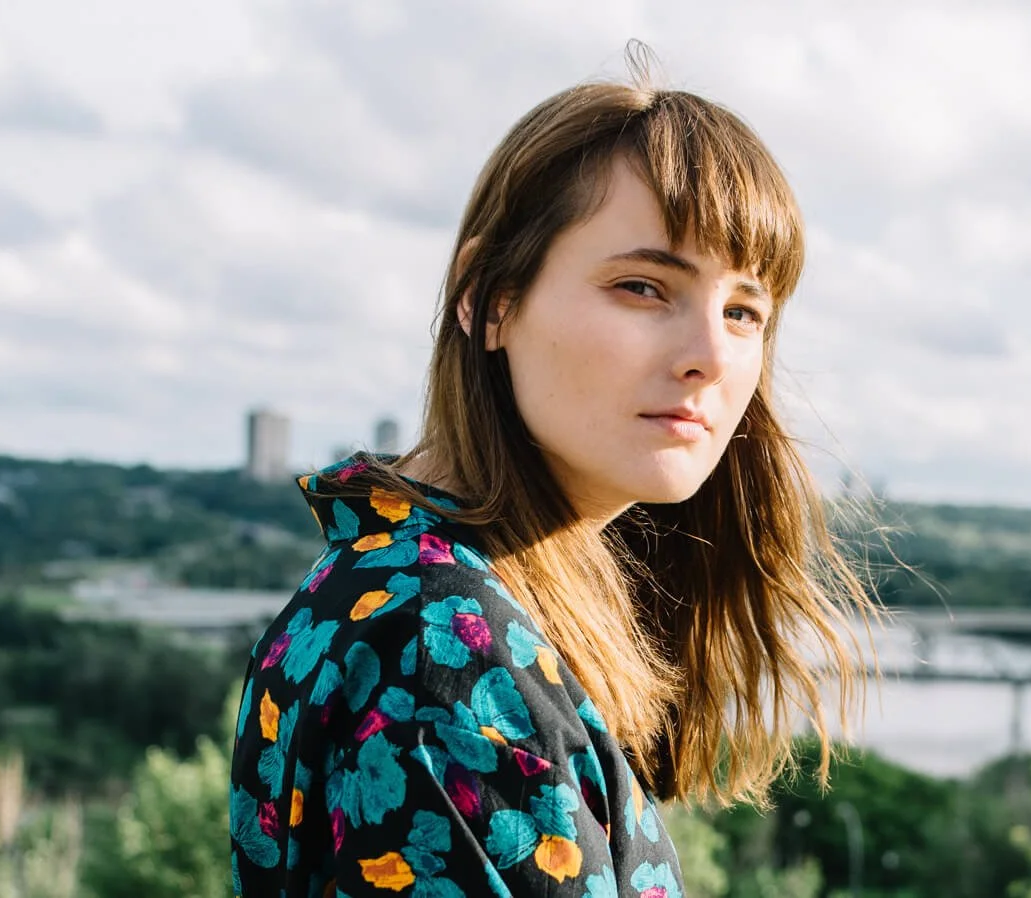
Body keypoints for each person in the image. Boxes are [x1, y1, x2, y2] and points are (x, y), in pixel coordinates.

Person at [230, 46, 880, 897]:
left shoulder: (392, 584)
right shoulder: (446, 659)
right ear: (490, 298)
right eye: (644, 287)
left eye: (743, 310)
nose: (711, 357)